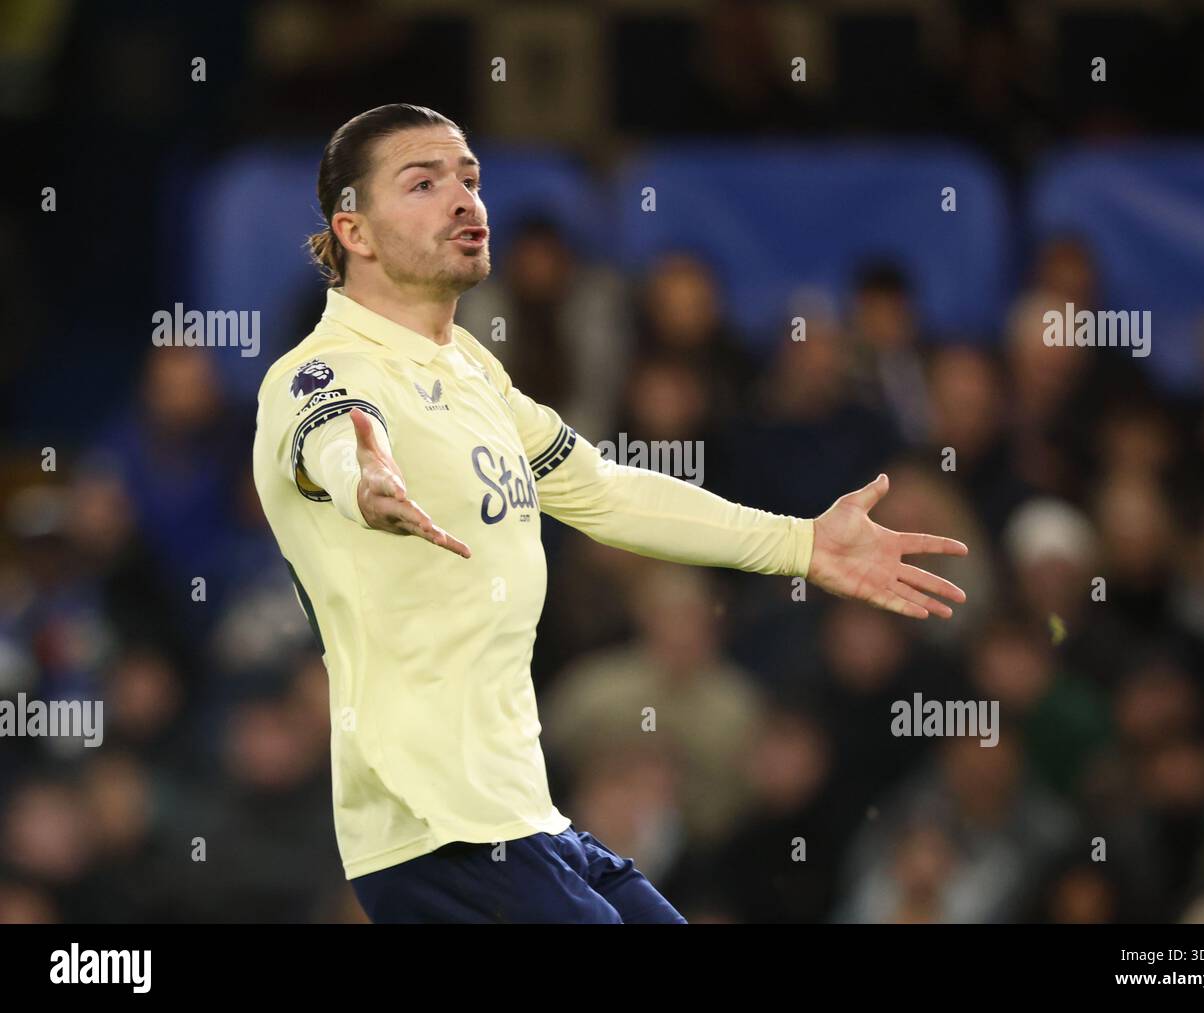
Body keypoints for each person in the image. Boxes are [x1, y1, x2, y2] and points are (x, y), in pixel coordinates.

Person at [251, 103, 969, 924]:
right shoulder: (321, 368)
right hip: (431, 826)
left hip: (523, 819)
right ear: (357, 231)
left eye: (470, 178)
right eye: (424, 182)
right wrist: (364, 475)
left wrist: (800, 543)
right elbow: (331, 432)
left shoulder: (473, 375)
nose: (463, 199)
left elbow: (604, 489)